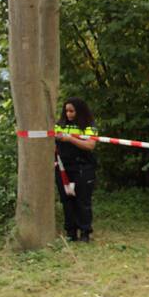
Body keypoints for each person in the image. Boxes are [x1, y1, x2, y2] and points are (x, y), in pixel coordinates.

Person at [54, 98, 98, 242]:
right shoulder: (59, 125)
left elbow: (90, 145)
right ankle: (71, 233)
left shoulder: (89, 126)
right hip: (63, 169)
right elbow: (51, 142)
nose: (68, 114)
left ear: (79, 111)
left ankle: (85, 233)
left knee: (82, 201)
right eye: (66, 111)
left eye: (72, 111)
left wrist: (70, 139)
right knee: (67, 201)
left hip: (82, 168)